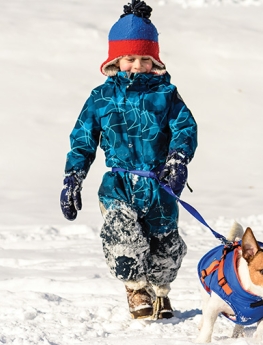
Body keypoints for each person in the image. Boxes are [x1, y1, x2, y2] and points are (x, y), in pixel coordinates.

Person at [60, 0, 198, 320]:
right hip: (119, 183)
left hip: (158, 183)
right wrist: (73, 177)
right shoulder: (101, 98)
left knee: (164, 245)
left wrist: (177, 160)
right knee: (121, 233)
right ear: (116, 60)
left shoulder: (166, 95)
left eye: (144, 59)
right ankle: (136, 287)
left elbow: (184, 127)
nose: (137, 65)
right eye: (129, 58)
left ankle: (159, 290)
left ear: (155, 61)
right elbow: (83, 138)